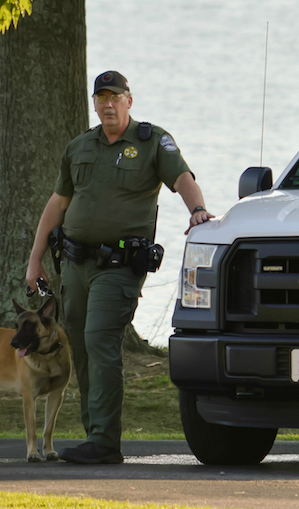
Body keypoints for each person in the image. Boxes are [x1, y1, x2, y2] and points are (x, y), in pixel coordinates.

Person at [25, 70, 214, 464]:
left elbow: (182, 178)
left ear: (129, 100)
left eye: (116, 97)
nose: (108, 104)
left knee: (100, 340)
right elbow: (58, 204)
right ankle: (93, 433)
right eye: (101, 98)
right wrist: (35, 258)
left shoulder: (151, 142)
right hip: (74, 264)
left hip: (119, 265)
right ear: (94, 103)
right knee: (78, 342)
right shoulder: (79, 147)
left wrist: (197, 210)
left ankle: (105, 440)